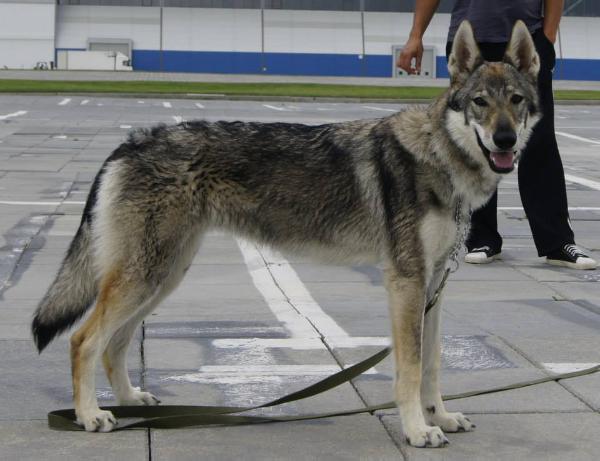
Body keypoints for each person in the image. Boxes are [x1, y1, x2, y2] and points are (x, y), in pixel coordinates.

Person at [398, 0, 597, 270]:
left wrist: (547, 39)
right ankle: (481, 238)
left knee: (539, 144)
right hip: (471, 39)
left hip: (525, 41)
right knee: (474, 145)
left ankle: (557, 242)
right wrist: (415, 35)